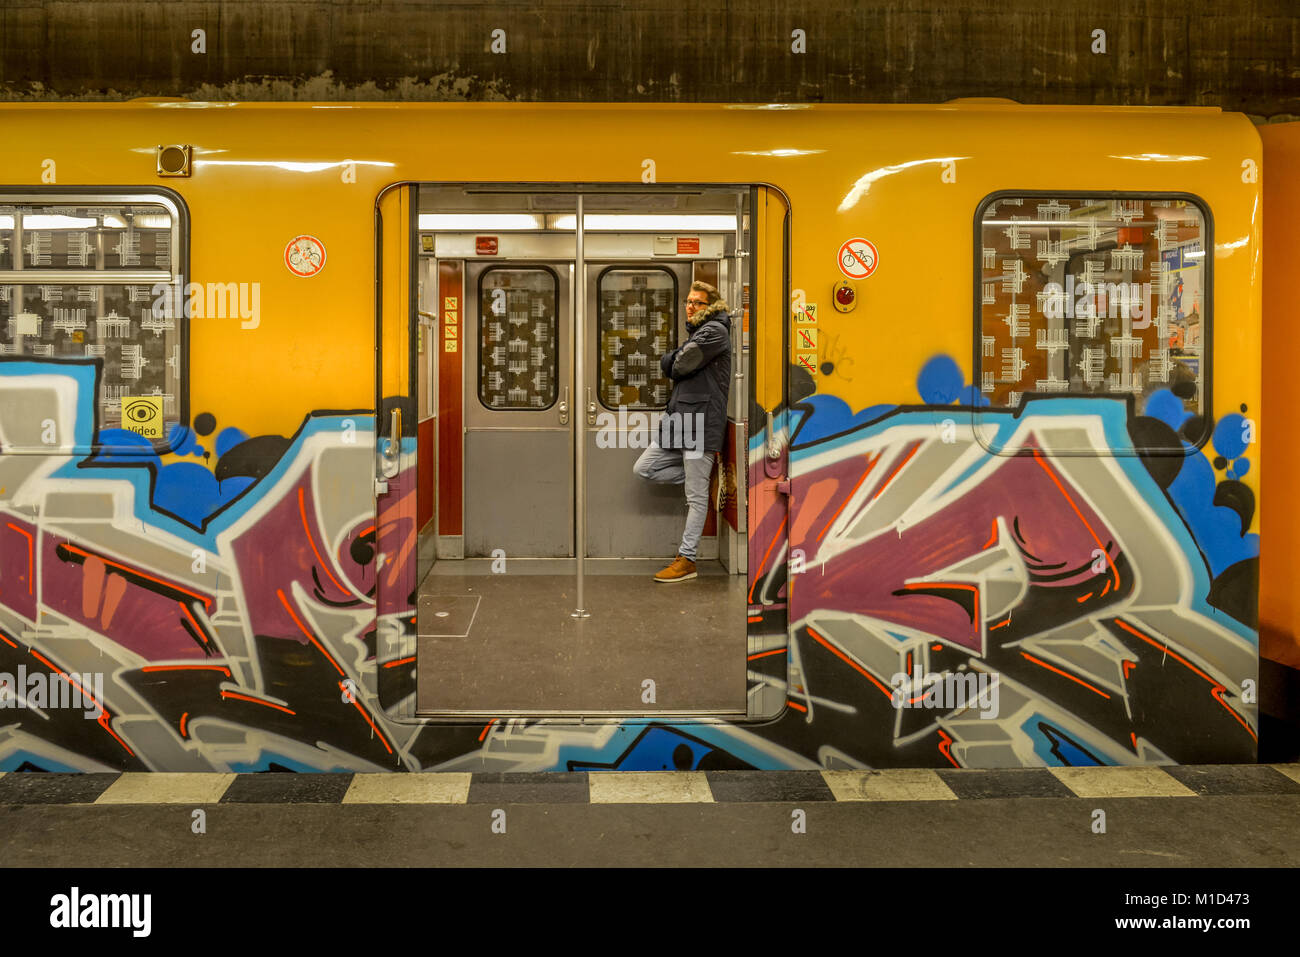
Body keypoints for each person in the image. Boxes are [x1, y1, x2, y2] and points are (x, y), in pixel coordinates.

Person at [632, 281, 731, 582]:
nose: (690, 306)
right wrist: (675, 357)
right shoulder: (699, 332)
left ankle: (687, 559)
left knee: (696, 499)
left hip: (699, 422)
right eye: (688, 301)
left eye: (697, 303)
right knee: (644, 468)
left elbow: (677, 365)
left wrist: (674, 358)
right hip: (681, 422)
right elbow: (676, 360)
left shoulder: (715, 332)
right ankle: (705, 479)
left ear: (710, 306)